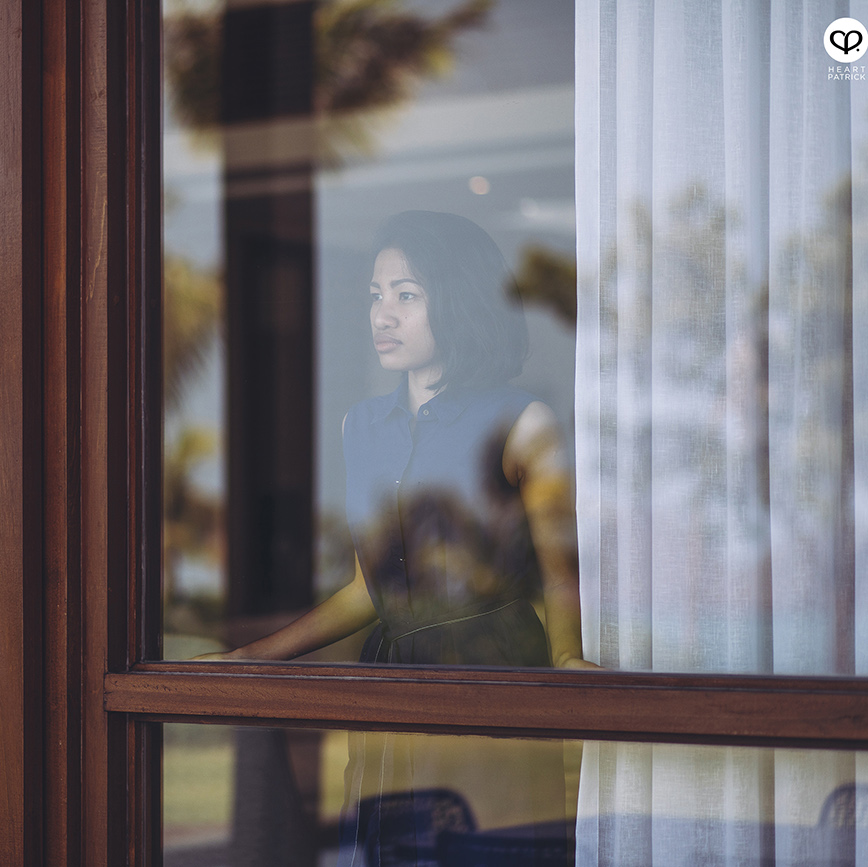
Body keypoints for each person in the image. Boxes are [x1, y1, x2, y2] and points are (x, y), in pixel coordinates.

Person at [199, 211, 594, 865]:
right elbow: (369, 588)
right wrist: (253, 657)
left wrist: (568, 661)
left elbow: (560, 572)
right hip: (388, 683)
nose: (383, 314)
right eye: (376, 297)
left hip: (489, 675)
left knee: (484, 846)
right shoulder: (362, 425)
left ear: (460, 297)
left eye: (406, 295)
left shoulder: (524, 422)